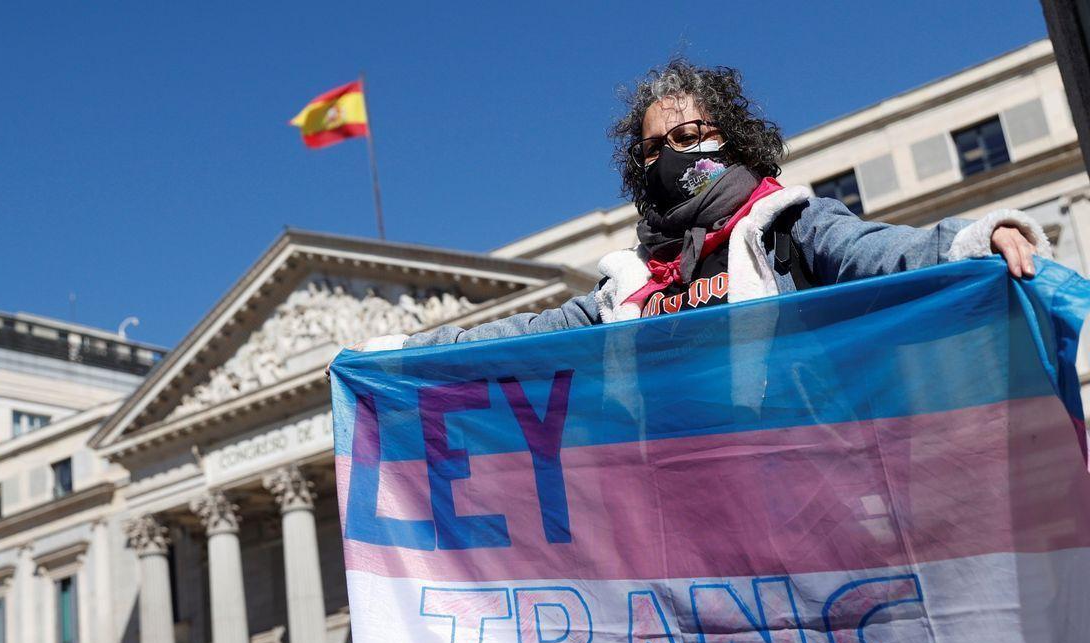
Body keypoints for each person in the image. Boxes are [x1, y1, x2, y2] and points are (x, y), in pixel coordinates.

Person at [356, 59, 1051, 352]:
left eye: (694, 135)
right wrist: (402, 350)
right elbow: (522, 336)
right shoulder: (625, 284)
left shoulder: (787, 225)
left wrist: (978, 235)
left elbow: (881, 254)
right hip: (681, 512)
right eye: (659, 147)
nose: (677, 155)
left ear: (734, 140)